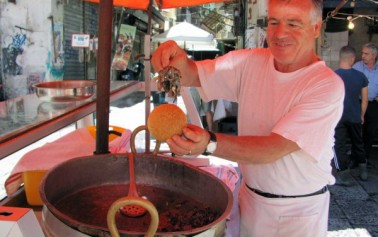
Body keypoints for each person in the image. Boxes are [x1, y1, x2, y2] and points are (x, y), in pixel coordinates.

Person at [151, 0, 344, 236]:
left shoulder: (325, 85)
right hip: (249, 197)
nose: (280, 33)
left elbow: (272, 149)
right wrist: (175, 62)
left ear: (316, 28)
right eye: (274, 22)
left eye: (293, 24)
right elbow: (194, 74)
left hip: (297, 210)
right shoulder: (251, 62)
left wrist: (209, 143)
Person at [333, 45, 368, 185]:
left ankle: (343, 174)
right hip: (354, 115)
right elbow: (364, 99)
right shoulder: (361, 76)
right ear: (353, 59)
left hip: (338, 117)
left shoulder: (333, 76)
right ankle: (363, 170)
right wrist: (362, 115)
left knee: (339, 144)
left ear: (340, 58)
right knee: (358, 142)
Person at [353, 42, 378, 171]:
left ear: (374, 55)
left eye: (366, 53)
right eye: (362, 53)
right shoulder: (357, 67)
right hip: (358, 103)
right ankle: (355, 158)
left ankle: (365, 158)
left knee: (370, 132)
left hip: (373, 104)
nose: (362, 56)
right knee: (356, 130)